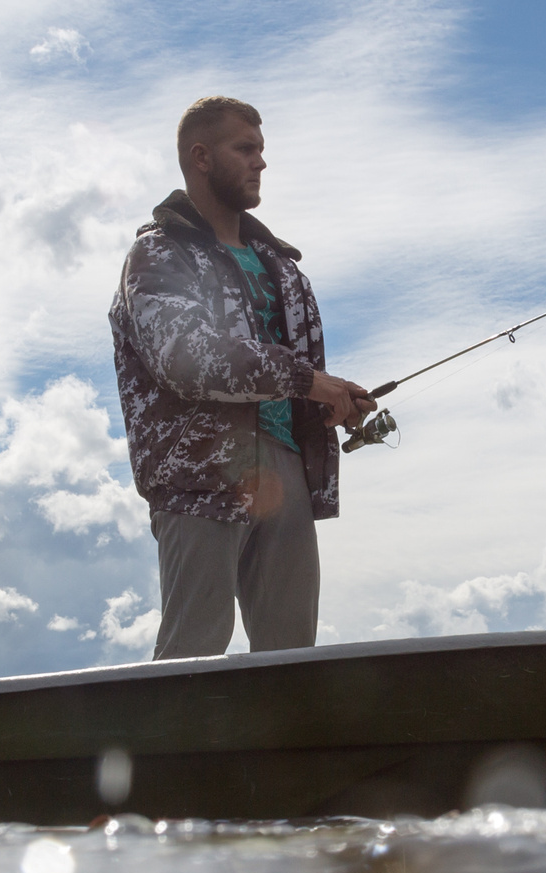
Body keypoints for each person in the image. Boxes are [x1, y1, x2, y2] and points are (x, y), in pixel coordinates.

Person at [109, 95, 378, 659]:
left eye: (262, 150)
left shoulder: (283, 266)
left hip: (286, 474)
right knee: (192, 654)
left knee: (290, 662)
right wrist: (308, 381)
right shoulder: (158, 254)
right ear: (201, 157)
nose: (260, 162)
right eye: (246, 149)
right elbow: (185, 356)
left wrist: (333, 397)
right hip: (200, 474)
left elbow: (292, 375)